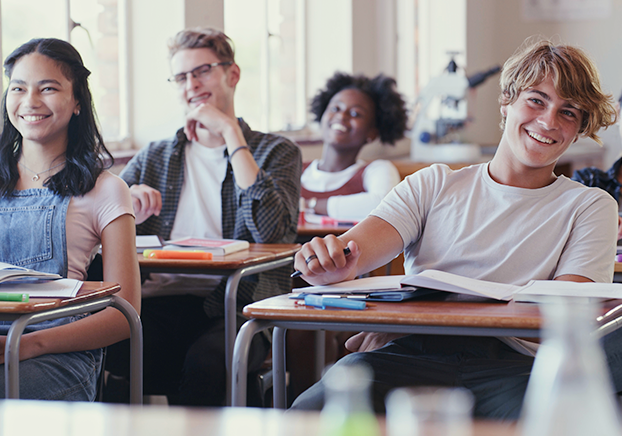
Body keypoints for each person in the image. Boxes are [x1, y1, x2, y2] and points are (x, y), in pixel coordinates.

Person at [289, 39, 619, 419]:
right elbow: (353, 254)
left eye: (569, 112)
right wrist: (326, 261)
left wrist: (416, 317)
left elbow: (562, 319)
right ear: (507, 100)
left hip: (515, 370)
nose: (549, 122)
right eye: (536, 100)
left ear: (579, 127)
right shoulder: (432, 184)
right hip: (410, 355)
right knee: (311, 412)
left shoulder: (591, 206)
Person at [105, 27, 301, 406]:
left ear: (233, 75)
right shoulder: (156, 155)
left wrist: (230, 132)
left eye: (203, 71)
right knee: (100, 352)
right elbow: (100, 219)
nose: (192, 84)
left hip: (234, 304)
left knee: (208, 364)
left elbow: (272, 230)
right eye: (181, 77)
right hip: (157, 302)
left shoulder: (276, 151)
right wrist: (128, 198)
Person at [0, 38, 140, 400]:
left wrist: (27, 345)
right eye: (18, 88)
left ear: (77, 101)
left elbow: (125, 314)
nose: (30, 101)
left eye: (48, 88)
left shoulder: (106, 189)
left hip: (58, 355)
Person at [301, 72, 407, 220]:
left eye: (355, 113)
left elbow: (384, 204)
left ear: (372, 133)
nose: (342, 115)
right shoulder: (294, 170)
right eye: (335, 108)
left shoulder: (376, 171)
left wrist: (308, 205)